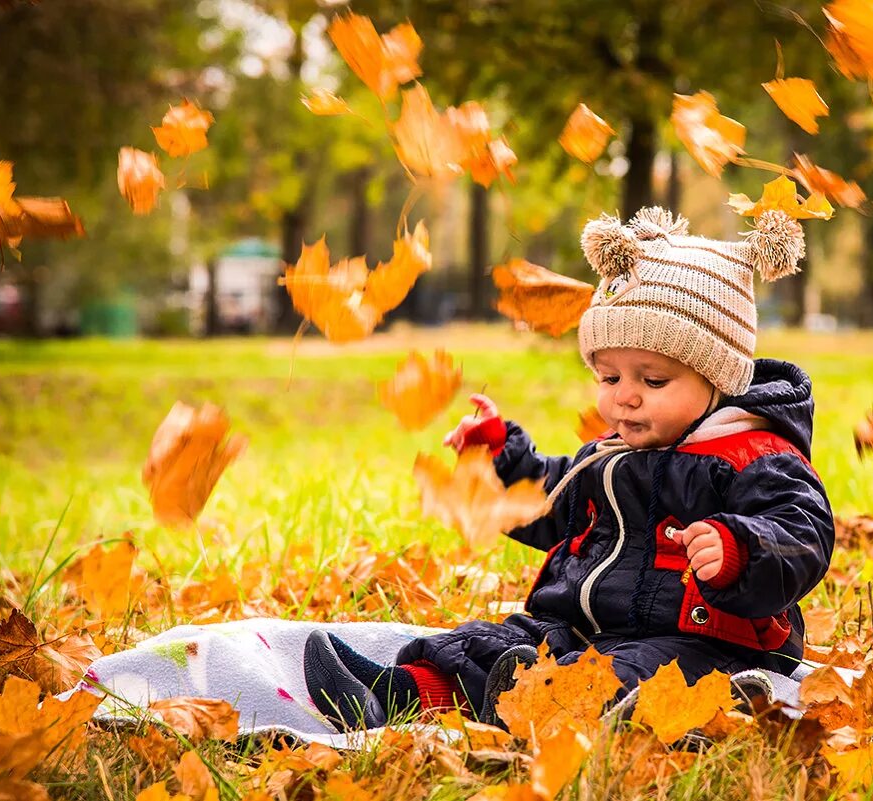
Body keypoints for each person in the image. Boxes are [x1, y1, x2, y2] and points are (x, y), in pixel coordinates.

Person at [303, 206, 835, 730]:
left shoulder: (754, 456)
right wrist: (499, 460)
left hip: (704, 642)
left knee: (626, 675)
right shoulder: (608, 458)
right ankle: (397, 696)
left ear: (719, 378)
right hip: (584, 627)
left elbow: (804, 532)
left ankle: (581, 715)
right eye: (609, 379)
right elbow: (550, 504)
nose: (625, 398)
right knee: (495, 643)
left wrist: (742, 550)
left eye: (652, 382)